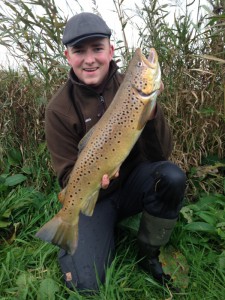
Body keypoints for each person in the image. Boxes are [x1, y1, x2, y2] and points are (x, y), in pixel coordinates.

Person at [45, 12, 186, 292]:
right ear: (67, 55)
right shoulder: (58, 109)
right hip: (95, 198)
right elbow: (66, 176)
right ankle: (68, 227)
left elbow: (162, 154)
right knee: (87, 285)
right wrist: (94, 183)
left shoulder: (130, 88)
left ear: (110, 51)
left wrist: (152, 111)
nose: (89, 59)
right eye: (79, 51)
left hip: (134, 184)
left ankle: (150, 251)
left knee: (171, 176)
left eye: (97, 48)